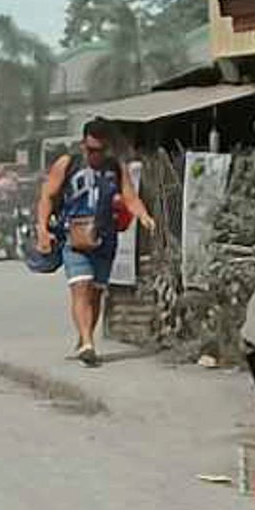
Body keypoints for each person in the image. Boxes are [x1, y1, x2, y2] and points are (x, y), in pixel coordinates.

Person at [34, 118, 149, 367]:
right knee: (81, 287)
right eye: (90, 149)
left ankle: (84, 337)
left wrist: (143, 215)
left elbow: (130, 197)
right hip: (73, 237)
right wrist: (42, 228)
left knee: (96, 293)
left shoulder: (115, 168)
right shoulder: (68, 164)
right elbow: (47, 195)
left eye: (100, 150)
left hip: (104, 239)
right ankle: (88, 343)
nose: (94, 155)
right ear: (83, 144)